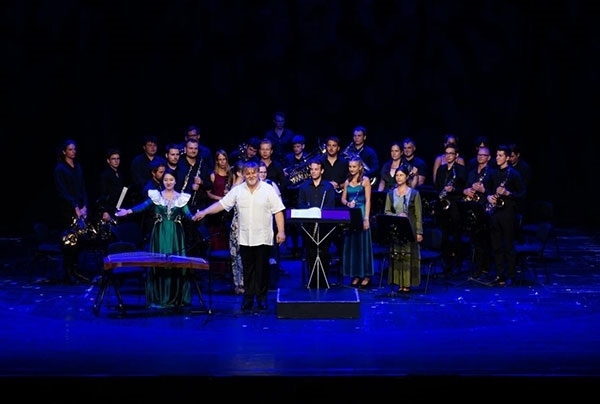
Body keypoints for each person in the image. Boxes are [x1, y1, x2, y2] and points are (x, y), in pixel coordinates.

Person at [194, 161, 286, 312]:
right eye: (247, 173)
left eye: (254, 172)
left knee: (262, 270)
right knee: (247, 270)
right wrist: (204, 212)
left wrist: (281, 231)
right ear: (243, 174)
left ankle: (261, 299)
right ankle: (248, 299)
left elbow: (278, 211)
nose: (251, 176)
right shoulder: (237, 191)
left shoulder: (268, 190)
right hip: (245, 237)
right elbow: (221, 204)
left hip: (263, 237)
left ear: (258, 173)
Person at [115, 169, 196, 309]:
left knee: (175, 263)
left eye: (171, 179)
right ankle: (160, 296)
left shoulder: (181, 198)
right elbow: (142, 207)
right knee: (160, 262)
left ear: (175, 181)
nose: (168, 182)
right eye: (166, 180)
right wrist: (127, 211)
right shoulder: (156, 196)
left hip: (176, 235)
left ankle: (176, 296)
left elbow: (188, 214)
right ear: (162, 181)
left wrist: (196, 216)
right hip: (160, 234)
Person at [487, 144, 526, 286]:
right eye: (497, 155)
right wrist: (489, 197)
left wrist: (508, 193)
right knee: (496, 246)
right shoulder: (492, 173)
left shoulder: (514, 174)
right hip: (495, 213)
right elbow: (487, 189)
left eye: (500, 155)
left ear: (507, 158)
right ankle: (499, 274)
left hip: (508, 213)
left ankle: (511, 275)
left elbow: (522, 194)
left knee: (508, 246)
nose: (497, 158)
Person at [53, 139, 90, 284]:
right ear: (64, 152)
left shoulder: (78, 167)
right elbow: (62, 191)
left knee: (79, 240)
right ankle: (68, 272)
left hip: (80, 208)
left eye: (74, 149)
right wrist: (75, 207)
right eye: (70, 149)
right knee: (70, 242)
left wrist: (84, 205)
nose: (73, 152)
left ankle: (75, 270)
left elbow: (83, 188)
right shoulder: (60, 169)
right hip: (68, 210)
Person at [383, 165, 423, 293]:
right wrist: (397, 216)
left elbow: (418, 214)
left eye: (401, 175)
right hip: (396, 228)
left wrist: (419, 232)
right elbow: (387, 211)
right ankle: (399, 282)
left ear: (406, 177)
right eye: (397, 175)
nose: (399, 178)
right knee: (397, 254)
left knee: (407, 254)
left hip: (410, 229)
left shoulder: (414, 194)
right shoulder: (391, 194)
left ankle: (407, 283)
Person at [297, 159, 336, 288]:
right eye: (311, 169)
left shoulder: (328, 187)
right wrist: (311, 212)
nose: (313, 172)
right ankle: (312, 280)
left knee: (324, 252)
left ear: (322, 170)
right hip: (308, 226)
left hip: (324, 226)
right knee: (311, 252)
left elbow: (330, 206)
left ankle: (323, 280)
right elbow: (301, 205)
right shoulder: (303, 187)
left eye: (316, 169)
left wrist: (320, 213)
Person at [461, 145, 496, 278]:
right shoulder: (471, 172)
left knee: (484, 241)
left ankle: (484, 268)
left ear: (489, 157)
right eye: (479, 155)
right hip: (472, 208)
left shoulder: (492, 173)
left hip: (485, 209)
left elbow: (494, 193)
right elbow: (465, 187)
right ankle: (476, 266)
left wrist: (483, 190)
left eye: (483, 155)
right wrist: (466, 191)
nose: (480, 157)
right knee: (474, 240)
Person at [433, 143, 467, 277]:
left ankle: (458, 264)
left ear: (456, 155)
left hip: (455, 206)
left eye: (451, 153)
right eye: (446, 153)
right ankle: (446, 264)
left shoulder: (460, 170)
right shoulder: (441, 169)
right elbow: (437, 186)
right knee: (445, 237)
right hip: (443, 206)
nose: (448, 156)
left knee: (457, 237)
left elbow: (464, 188)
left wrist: (453, 189)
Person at [340, 156, 374, 288]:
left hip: (361, 212)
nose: (352, 169)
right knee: (353, 245)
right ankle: (355, 274)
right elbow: (343, 199)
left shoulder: (365, 181)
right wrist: (348, 203)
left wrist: (366, 218)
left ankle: (365, 275)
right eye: (350, 166)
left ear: (360, 167)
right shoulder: (347, 182)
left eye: (354, 166)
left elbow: (368, 200)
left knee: (362, 244)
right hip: (351, 214)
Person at [176, 138, 213, 257]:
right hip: (183, 206)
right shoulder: (179, 165)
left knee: (199, 238)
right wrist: (190, 188)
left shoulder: (202, 164)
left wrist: (201, 182)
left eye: (195, 148)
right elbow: (175, 187)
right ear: (185, 149)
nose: (193, 150)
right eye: (190, 148)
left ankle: (199, 263)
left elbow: (209, 185)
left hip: (200, 205)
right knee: (186, 238)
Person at [129, 134, 166, 205]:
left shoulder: (162, 160)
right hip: (142, 194)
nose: (153, 147)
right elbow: (136, 179)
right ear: (144, 147)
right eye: (150, 145)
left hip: (160, 193)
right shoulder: (137, 161)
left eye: (154, 145)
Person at [229, 161, 245, 295]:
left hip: (248, 224)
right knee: (236, 255)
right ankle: (238, 283)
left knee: (245, 255)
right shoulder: (235, 188)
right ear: (239, 173)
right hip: (237, 225)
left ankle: (245, 282)